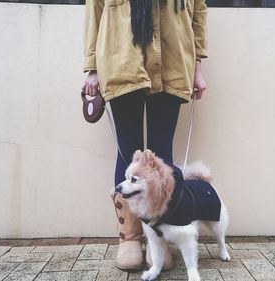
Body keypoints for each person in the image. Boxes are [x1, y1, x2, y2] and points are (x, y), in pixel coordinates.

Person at [82, 0, 208, 271]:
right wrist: (91, 68)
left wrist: (198, 67)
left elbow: (198, 10)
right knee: (128, 150)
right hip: (121, 60)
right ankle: (130, 238)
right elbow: (95, 10)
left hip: (173, 60)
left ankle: (158, 239)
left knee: (161, 154)